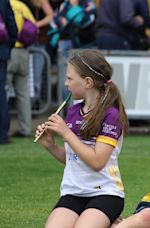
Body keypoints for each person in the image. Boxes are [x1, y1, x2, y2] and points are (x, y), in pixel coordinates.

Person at [35, 50, 129, 227]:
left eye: (70, 78)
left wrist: (67, 134)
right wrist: (51, 146)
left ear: (87, 82)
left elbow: (97, 162)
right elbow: (74, 158)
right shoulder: (72, 111)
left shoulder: (111, 115)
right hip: (73, 192)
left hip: (105, 193)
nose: (66, 83)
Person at [6, 0, 36, 138]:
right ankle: (25, 128)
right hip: (24, 53)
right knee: (23, 94)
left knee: (3, 92)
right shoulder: (22, 6)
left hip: (8, 52)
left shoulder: (5, 5)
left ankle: (3, 129)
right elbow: (34, 28)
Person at [0, 0, 18, 145]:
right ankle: (2, 135)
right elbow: (12, 28)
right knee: (0, 93)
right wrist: (7, 46)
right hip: (1, 53)